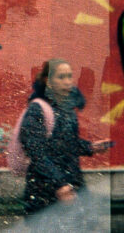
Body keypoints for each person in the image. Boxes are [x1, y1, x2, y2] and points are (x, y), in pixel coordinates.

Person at [20, 58, 111, 222]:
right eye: (61, 77)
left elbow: (66, 144)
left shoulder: (67, 108)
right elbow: (36, 151)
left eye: (69, 76)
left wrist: (90, 147)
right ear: (48, 81)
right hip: (46, 191)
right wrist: (59, 183)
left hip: (70, 184)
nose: (68, 82)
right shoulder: (37, 109)